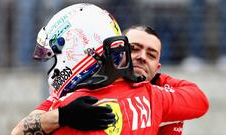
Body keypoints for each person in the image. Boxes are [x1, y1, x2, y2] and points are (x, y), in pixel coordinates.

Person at [11, 3, 209, 135]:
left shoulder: (71, 103)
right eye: (133, 49)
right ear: (118, 50)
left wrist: (63, 117)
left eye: (151, 55)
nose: (141, 58)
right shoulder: (153, 97)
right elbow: (198, 100)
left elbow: (19, 132)